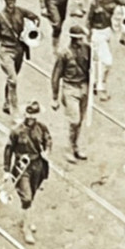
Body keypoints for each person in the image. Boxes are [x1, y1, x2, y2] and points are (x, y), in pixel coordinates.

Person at [0, 0, 38, 115]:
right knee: (13, 79)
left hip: (19, 50)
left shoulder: (21, 12)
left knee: (12, 78)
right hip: (6, 50)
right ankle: (14, 107)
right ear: (4, 0)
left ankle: (7, 103)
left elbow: (35, 18)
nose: (11, 2)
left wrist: (31, 28)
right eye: (8, 0)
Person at [3, 101, 51, 244]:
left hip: (37, 166)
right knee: (27, 198)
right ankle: (26, 229)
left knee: (32, 195)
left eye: (34, 115)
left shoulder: (41, 128)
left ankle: (26, 219)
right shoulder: (17, 131)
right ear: (25, 114)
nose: (31, 117)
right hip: (22, 167)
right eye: (29, 114)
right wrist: (6, 170)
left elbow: (48, 139)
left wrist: (47, 151)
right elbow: (8, 150)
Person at [50, 25, 91, 163]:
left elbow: (92, 67)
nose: (81, 40)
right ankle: (68, 150)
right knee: (74, 120)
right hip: (70, 88)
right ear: (73, 39)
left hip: (84, 87)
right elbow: (56, 76)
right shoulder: (64, 54)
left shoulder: (87, 49)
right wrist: (55, 97)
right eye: (79, 38)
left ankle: (75, 146)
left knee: (80, 121)